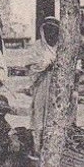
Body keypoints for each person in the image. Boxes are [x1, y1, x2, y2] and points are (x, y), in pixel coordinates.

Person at [28, 16, 60, 149]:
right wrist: (45, 65)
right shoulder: (37, 46)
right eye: (47, 30)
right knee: (39, 116)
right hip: (42, 85)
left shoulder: (62, 48)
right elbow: (31, 67)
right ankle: (37, 148)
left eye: (53, 30)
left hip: (57, 86)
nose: (50, 34)